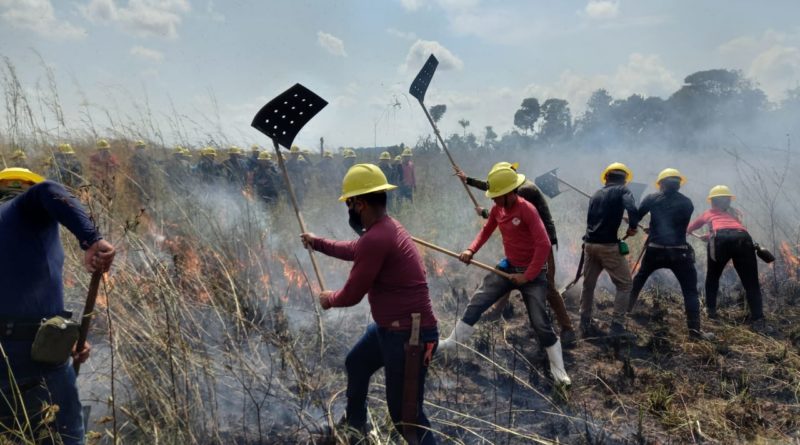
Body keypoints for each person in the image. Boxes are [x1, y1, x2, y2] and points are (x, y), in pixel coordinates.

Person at [301, 164, 438, 444]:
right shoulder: (385, 228)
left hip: (410, 336)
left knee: (406, 418)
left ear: (360, 203)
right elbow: (354, 248)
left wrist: (330, 299)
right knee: (357, 363)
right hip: (390, 329)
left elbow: (352, 294)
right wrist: (318, 243)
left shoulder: (377, 238)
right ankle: (355, 429)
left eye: (350, 204)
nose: (349, 211)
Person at [0, 167, 115, 445]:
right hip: (34, 364)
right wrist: (92, 239)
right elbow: (49, 190)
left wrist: (66, 339)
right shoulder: (22, 208)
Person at [439, 165, 571, 386]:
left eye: (498, 196)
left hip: (534, 273)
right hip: (509, 266)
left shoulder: (527, 209)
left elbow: (543, 243)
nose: (494, 201)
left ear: (511, 193)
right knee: (477, 302)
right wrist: (471, 250)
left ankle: (559, 372)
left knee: (540, 322)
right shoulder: (497, 210)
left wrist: (527, 276)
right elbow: (486, 231)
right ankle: (452, 343)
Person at [456, 162, 577, 347]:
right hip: (523, 241)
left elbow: (505, 210)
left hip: (541, 244)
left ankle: (567, 328)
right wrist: (469, 180)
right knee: (508, 275)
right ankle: (497, 311)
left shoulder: (524, 191)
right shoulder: (511, 191)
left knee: (549, 287)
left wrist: (486, 212)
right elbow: (493, 192)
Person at [628, 169, 712, 339]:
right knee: (690, 291)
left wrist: (633, 219)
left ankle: (623, 316)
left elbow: (636, 218)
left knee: (638, 280)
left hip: (655, 250)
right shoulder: (687, 203)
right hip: (679, 252)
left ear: (662, 184)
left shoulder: (652, 198)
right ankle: (695, 332)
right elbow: (675, 223)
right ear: (678, 184)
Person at [687, 185, 764, 330]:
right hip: (744, 238)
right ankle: (759, 319)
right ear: (728, 201)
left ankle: (711, 312)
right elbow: (732, 230)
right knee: (751, 283)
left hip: (720, 239)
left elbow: (690, 228)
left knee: (713, 277)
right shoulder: (735, 214)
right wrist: (710, 236)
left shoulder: (708, 213)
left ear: (712, 202)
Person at [579, 162, 639, 339]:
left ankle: (584, 322)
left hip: (590, 245)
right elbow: (632, 208)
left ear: (606, 178)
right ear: (625, 180)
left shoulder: (596, 194)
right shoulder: (624, 191)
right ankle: (617, 327)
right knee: (625, 285)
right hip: (608, 247)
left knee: (588, 285)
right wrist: (633, 226)